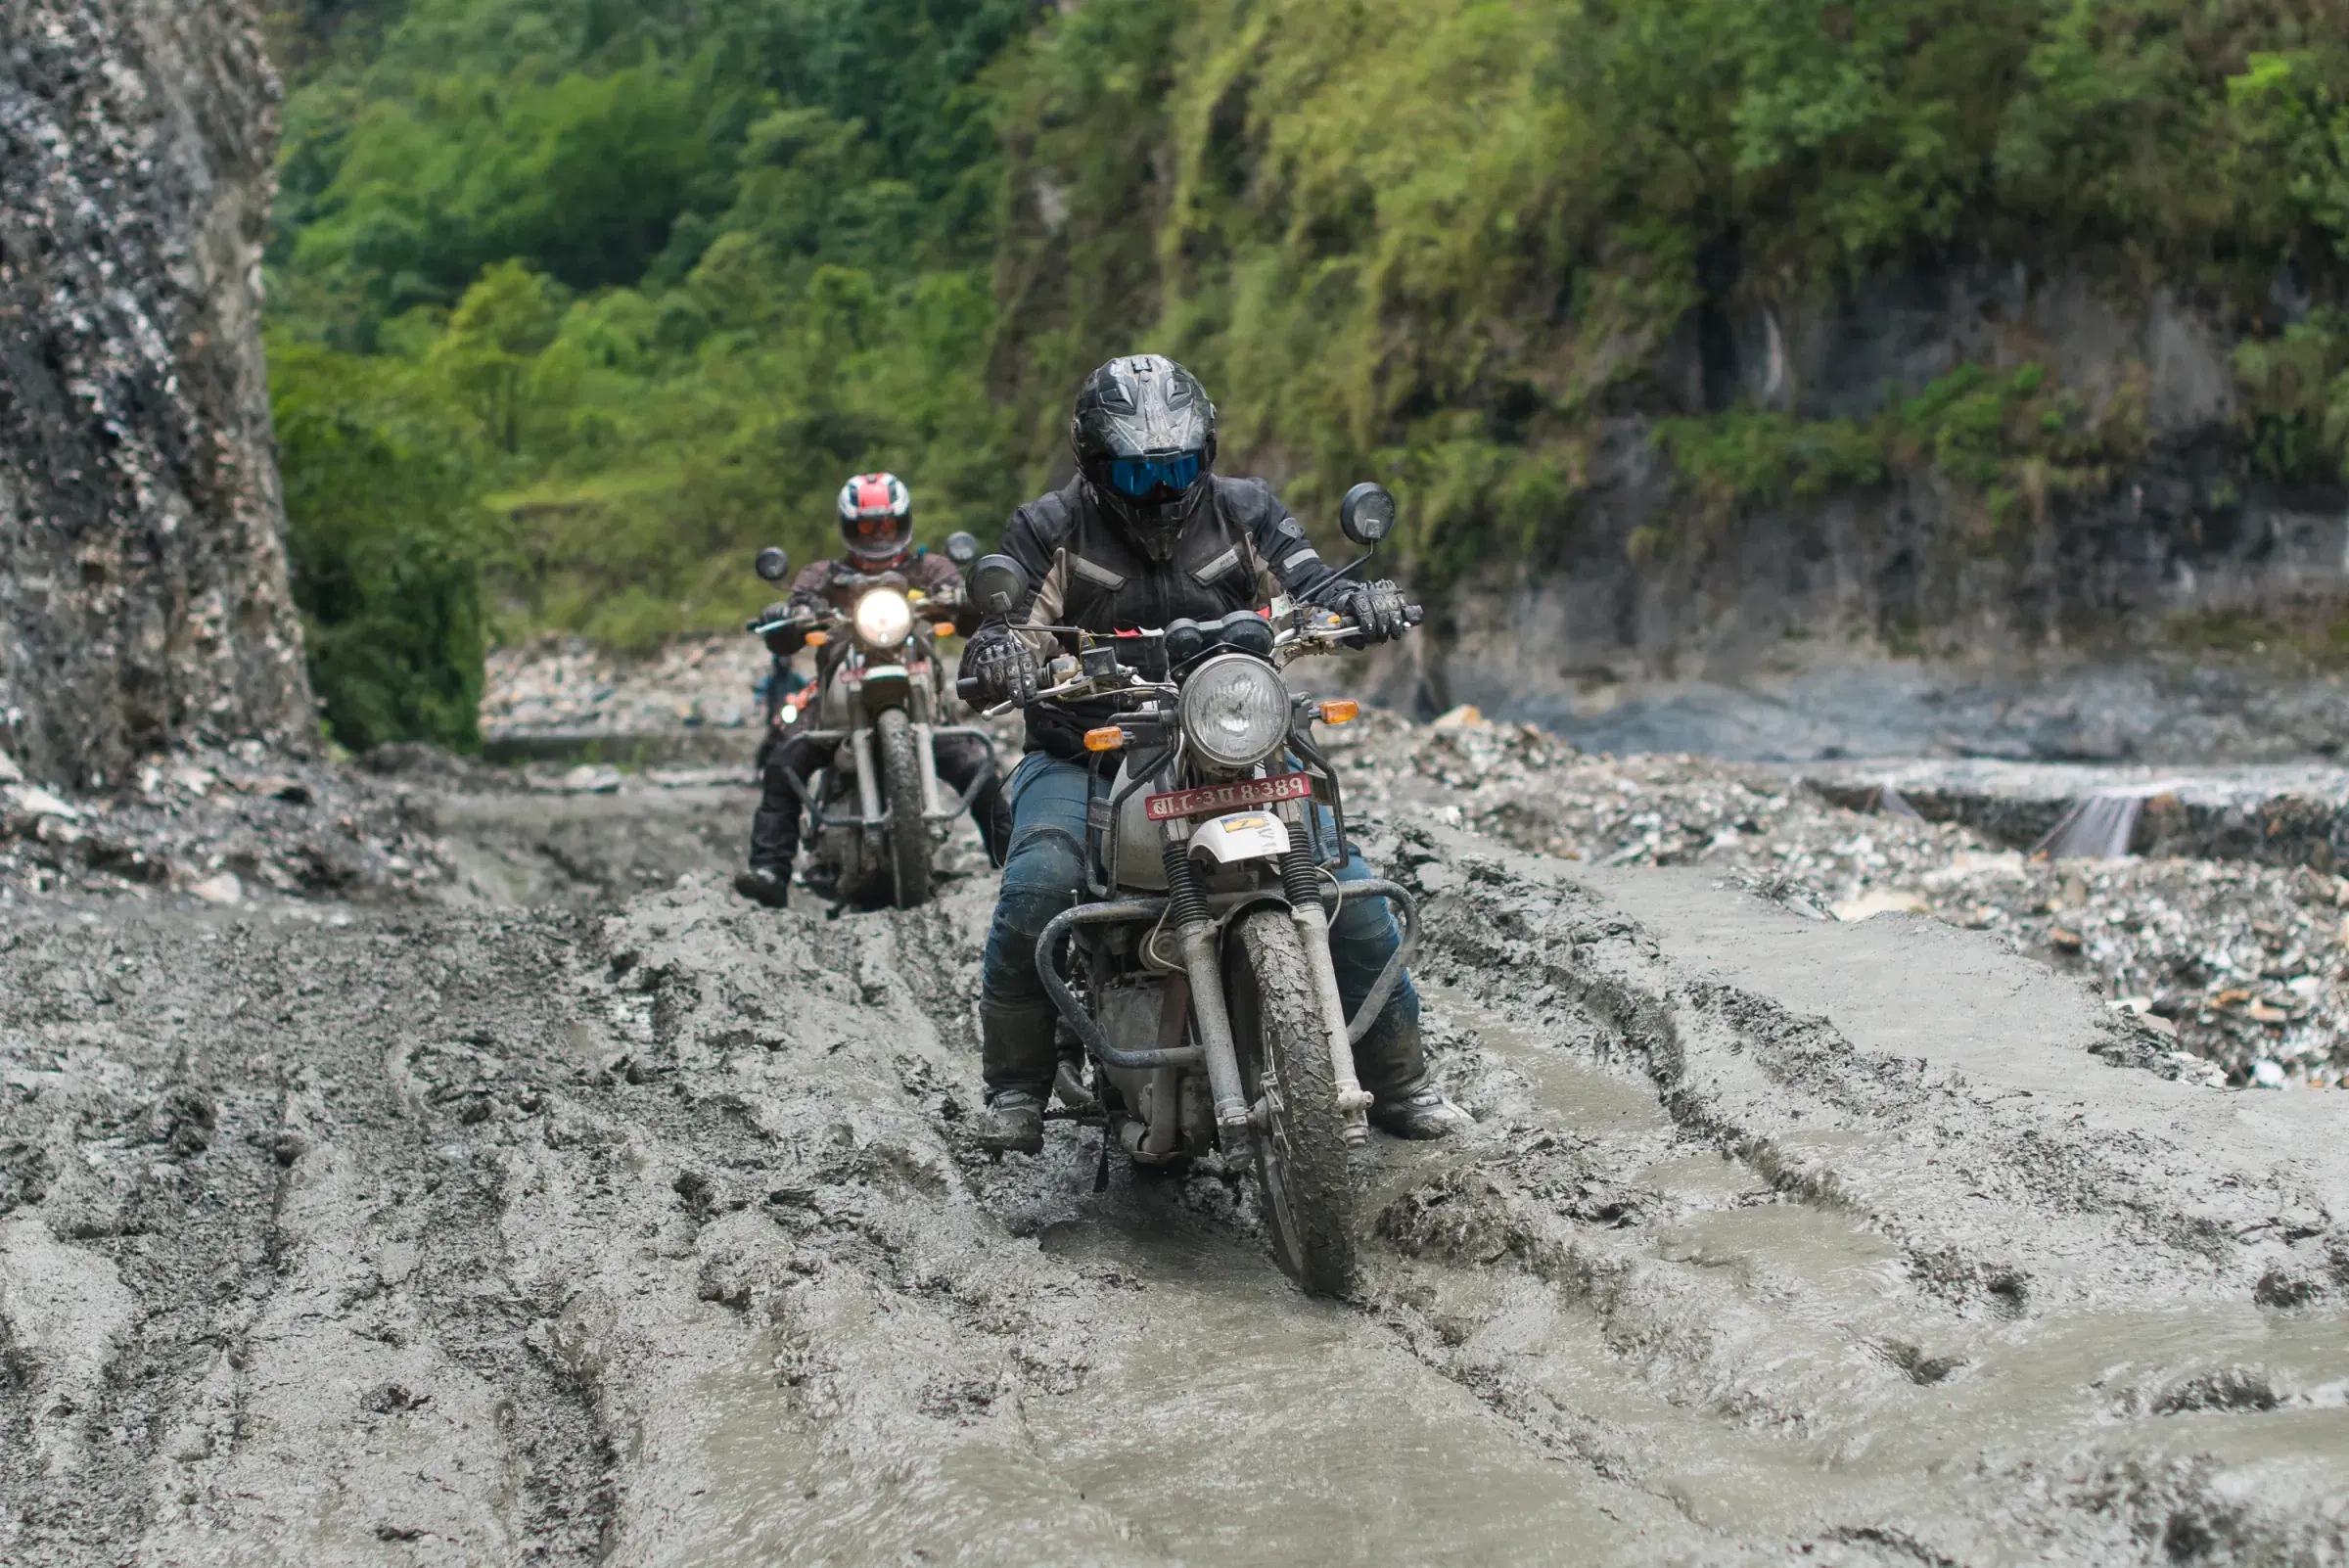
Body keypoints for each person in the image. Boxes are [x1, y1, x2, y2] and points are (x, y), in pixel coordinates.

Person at [956, 355, 1469, 1154]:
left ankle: (1401, 1084)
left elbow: (1310, 583)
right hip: (1087, 753)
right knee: (1039, 886)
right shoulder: (1049, 528)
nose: (1162, 491)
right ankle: (1015, 1091)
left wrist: (1361, 601)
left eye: (1180, 467)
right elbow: (1010, 617)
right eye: (1135, 471)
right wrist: (1001, 652)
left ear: (1209, 455)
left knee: (1351, 890)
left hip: (1236, 740)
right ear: (1093, 467)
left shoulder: (1245, 511)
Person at [735, 472, 1009, 906]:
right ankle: (770, 867)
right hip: (838, 688)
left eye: (885, 524)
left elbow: (964, 602)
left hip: (918, 685)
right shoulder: (823, 575)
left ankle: (1012, 863)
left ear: (902, 522)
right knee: (784, 760)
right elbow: (795, 608)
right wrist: (789, 613)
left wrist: (967, 597)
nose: (879, 533)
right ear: (849, 529)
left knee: (974, 763)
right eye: (867, 526)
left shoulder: (929, 567)